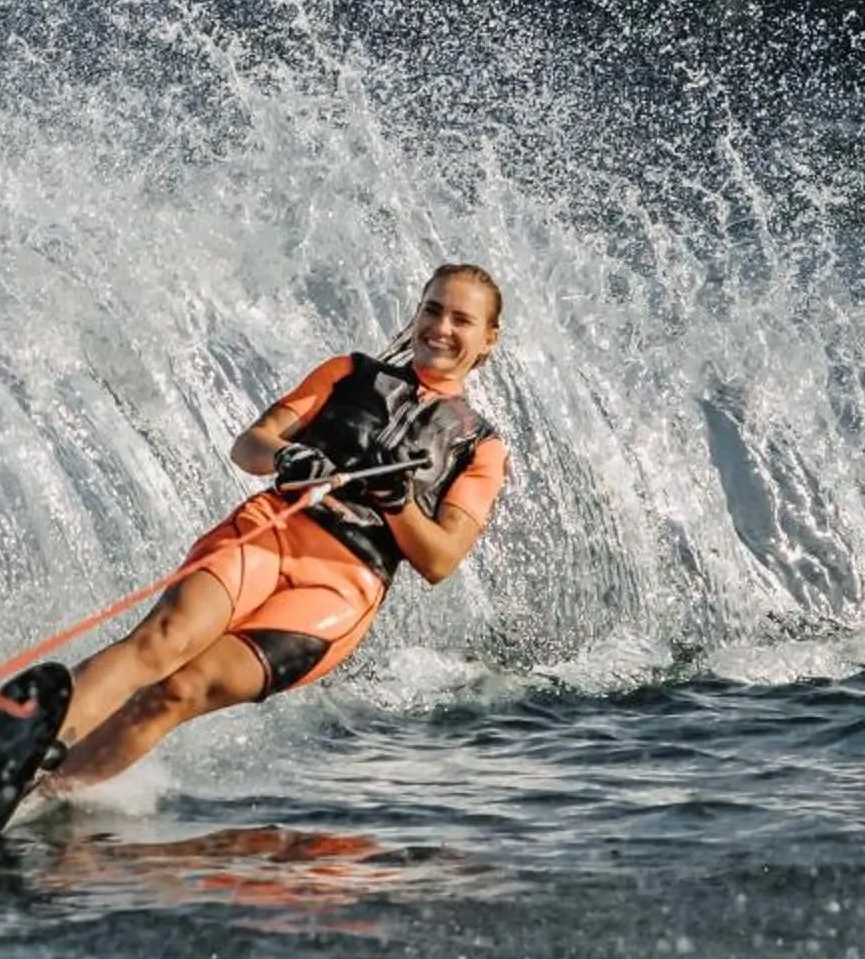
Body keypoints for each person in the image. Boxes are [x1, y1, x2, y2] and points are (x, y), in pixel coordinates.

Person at [35, 263, 511, 797]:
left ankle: (45, 797)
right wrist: (290, 455)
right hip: (271, 532)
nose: (441, 327)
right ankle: (31, 747)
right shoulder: (348, 373)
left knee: (178, 691)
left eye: (461, 320)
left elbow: (440, 560)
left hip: (341, 586)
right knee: (162, 641)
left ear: (487, 339)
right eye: (432, 309)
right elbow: (251, 445)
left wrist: (398, 502)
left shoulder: (482, 448)